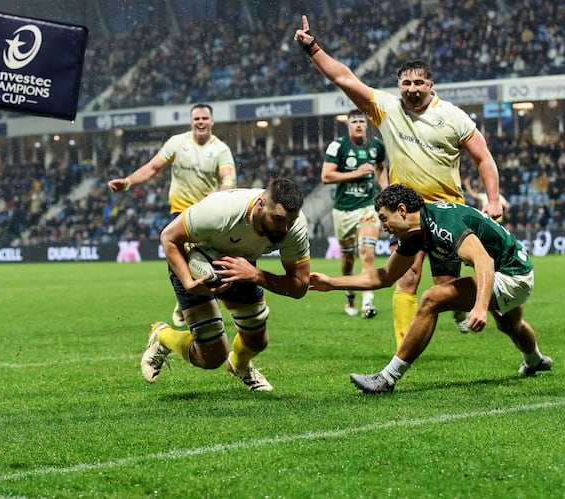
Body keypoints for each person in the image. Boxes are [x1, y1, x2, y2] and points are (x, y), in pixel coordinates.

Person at [294, 17, 503, 347]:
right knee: (406, 278)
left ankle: (460, 307)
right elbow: (343, 78)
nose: (413, 89)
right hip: (407, 213)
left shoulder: (453, 116)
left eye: (419, 82)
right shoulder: (386, 109)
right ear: (398, 86)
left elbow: (483, 158)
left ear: (431, 85)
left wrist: (493, 199)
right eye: (406, 83)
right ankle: (402, 348)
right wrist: (312, 48)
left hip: (448, 210)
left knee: (446, 284)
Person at [309, 184, 553, 394]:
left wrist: (479, 307)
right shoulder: (416, 233)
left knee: (431, 298)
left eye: (384, 218)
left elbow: (484, 261)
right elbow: (384, 276)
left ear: (402, 210)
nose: (384, 226)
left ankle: (386, 378)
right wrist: (332, 283)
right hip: (511, 269)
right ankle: (535, 360)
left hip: (513, 273)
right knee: (510, 324)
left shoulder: (441, 223)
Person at [141, 178, 311, 392]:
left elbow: (299, 286)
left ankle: (239, 366)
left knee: (258, 342)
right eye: (278, 219)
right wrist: (188, 282)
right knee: (212, 357)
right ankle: (163, 336)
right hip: (193, 260)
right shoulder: (220, 211)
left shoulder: (294, 228)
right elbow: (169, 238)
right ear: (260, 204)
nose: (284, 228)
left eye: (290, 221)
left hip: (240, 264)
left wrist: (257, 275)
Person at [108, 103, 237, 326]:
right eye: (197, 119)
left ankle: (193, 299)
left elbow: (230, 181)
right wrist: (128, 182)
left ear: (212, 121)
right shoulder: (177, 143)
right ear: (191, 121)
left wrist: (218, 193)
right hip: (180, 212)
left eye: (205, 118)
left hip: (208, 214)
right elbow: (152, 168)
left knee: (212, 262)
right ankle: (188, 300)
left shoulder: (221, 150)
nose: (201, 122)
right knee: (180, 259)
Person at [321, 109, 388, 318]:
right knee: (348, 260)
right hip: (343, 210)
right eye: (354, 122)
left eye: (361, 121)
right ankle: (349, 292)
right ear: (348, 125)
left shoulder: (376, 146)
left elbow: (380, 167)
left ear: (366, 124)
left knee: (367, 254)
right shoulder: (338, 146)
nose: (358, 125)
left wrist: (385, 191)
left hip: (368, 207)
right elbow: (326, 176)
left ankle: (368, 303)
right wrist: (356, 174)